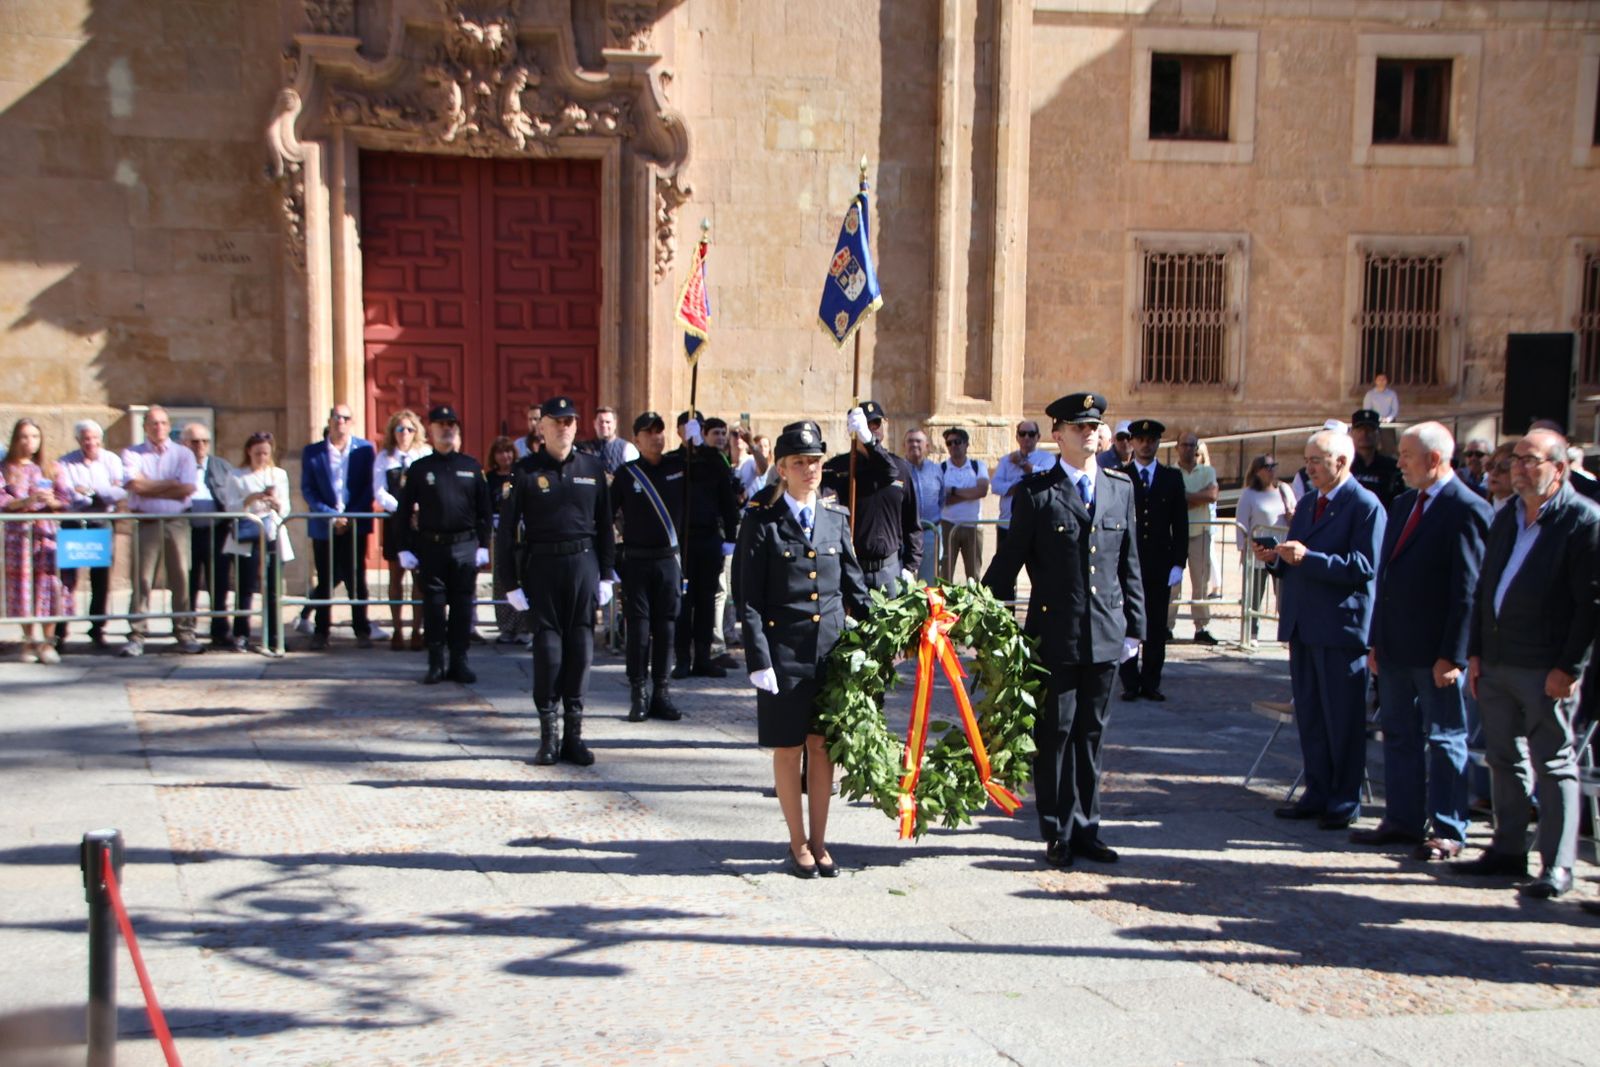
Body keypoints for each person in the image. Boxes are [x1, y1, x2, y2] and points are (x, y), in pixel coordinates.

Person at [983, 393, 1144, 868]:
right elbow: (1007, 564)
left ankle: (1087, 827)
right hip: (1055, 634)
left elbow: (1129, 565)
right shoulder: (1036, 494)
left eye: (1094, 425)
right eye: (1078, 426)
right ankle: (1056, 830)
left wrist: (1136, 627)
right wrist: (979, 612)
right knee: (1055, 735)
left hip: (1106, 632)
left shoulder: (1120, 488)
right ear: (1058, 435)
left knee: (1092, 734)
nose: (1089, 432)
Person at [1453, 429, 1600, 899]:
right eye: (1514, 459)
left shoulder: (1582, 521)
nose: (1517, 467)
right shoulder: (1507, 517)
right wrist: (1474, 652)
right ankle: (1507, 848)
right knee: (1502, 757)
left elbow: (1590, 604)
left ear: (1558, 468)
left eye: (1530, 459)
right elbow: (1484, 589)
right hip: (1496, 661)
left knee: (1553, 763)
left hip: (1544, 666)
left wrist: (1569, 667)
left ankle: (1556, 865)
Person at [1355, 422, 1491, 861]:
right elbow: (1387, 578)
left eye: (1409, 454)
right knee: (1399, 735)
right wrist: (1376, 640)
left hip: (1436, 653)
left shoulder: (1467, 508)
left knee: (1446, 737)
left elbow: (1467, 590)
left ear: (1435, 459)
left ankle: (1448, 827)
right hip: (1395, 648)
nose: (1400, 462)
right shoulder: (1403, 502)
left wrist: (1453, 654)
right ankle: (1403, 819)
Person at [738, 421, 869, 877]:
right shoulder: (761, 519)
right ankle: (797, 842)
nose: (810, 469)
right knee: (789, 747)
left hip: (829, 653)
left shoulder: (836, 519)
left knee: (822, 747)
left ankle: (820, 840)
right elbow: (748, 597)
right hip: (783, 654)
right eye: (799, 462)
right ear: (782, 468)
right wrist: (759, 659)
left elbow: (855, 587)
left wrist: (888, 632)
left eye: (815, 461)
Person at [1253, 427, 1385, 830]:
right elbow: (1296, 559)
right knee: (1311, 714)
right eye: (1307, 460)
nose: (1307, 468)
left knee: (1342, 718)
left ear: (1341, 462)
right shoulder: (1309, 503)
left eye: (1316, 461)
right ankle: (1317, 790)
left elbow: (1364, 567)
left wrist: (1309, 558)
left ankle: (1344, 801)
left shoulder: (1365, 505)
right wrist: (1274, 558)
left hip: (1341, 629)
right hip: (1304, 625)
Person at [499, 396, 616, 765]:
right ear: (542, 427)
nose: (564, 427)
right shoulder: (525, 471)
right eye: (557, 421)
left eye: (570, 421)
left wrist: (607, 574)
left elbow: (606, 527)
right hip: (543, 566)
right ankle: (548, 735)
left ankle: (574, 736)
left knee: (581, 649)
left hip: (583, 563)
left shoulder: (592, 468)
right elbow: (505, 532)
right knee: (549, 652)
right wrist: (509, 583)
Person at [396, 405, 493, 685]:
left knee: (463, 608)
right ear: (431, 431)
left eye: (451, 424)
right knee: (434, 607)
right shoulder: (420, 469)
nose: (447, 429)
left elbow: (484, 511)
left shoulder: (471, 467)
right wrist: (404, 547)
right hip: (432, 546)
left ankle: (459, 661)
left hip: (464, 546)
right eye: (441, 425)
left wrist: (483, 545)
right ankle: (436, 661)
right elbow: (403, 512)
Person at [612, 411, 686, 722]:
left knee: (666, 628)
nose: (656, 436)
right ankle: (638, 692)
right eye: (649, 432)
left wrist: (695, 442)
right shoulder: (627, 475)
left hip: (668, 561)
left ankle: (661, 692)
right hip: (637, 562)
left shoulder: (678, 468)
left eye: (660, 430)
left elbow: (714, 472)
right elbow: (605, 515)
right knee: (639, 631)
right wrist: (611, 559)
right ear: (637, 439)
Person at [121, 406, 202, 656]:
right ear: (145, 426)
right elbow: (135, 485)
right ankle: (137, 633)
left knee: (180, 576)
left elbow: (187, 488)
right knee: (142, 578)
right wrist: (169, 484)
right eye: (154, 424)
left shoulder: (183, 454)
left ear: (169, 426)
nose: (159, 428)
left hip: (176, 522)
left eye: (163, 423)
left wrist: (151, 485)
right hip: (146, 521)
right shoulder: (133, 453)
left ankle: (184, 631)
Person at [821, 400, 923, 597]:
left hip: (890, 570)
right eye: (867, 425)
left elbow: (913, 523)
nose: (872, 430)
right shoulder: (838, 469)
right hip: (852, 570)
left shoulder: (899, 468)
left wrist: (911, 567)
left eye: (876, 424)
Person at [1118, 418, 1187, 700]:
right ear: (1131, 442)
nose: (1146, 445)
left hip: (1159, 564)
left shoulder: (1171, 478)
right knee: (1128, 623)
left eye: (1151, 440)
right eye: (1141, 440)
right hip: (1129, 564)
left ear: (1159, 443)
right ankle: (1129, 682)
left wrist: (1178, 563)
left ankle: (1151, 682)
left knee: (1156, 626)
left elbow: (1180, 524)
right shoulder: (1121, 476)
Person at [301, 404, 378, 650]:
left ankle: (361, 629)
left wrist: (350, 515)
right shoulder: (313, 452)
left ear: (351, 422)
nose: (340, 422)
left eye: (345, 417)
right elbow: (308, 490)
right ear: (330, 420)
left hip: (354, 523)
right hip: (325, 526)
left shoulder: (365, 449)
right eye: (336, 417)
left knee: (357, 579)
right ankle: (321, 631)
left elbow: (369, 486)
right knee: (325, 579)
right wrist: (332, 515)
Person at [670, 410, 741, 678]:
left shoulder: (714, 460)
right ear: (679, 431)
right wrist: (689, 452)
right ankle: (682, 658)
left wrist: (731, 537)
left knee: (706, 600)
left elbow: (727, 496)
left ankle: (703, 656)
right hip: (682, 541)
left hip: (709, 538)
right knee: (683, 603)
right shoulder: (674, 460)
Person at [2, 418, 70, 663]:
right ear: (16, 439)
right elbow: (2, 501)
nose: (29, 442)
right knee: (22, 588)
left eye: (34, 436)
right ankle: (30, 640)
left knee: (49, 585)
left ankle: (48, 641)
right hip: (18, 537)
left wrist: (53, 503)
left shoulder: (50, 468)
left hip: (45, 535)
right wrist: (26, 502)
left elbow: (65, 498)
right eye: (24, 436)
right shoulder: (5, 469)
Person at [53, 419, 125, 650]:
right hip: (73, 523)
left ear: (100, 439)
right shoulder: (65, 462)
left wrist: (91, 493)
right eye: (85, 438)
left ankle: (97, 629)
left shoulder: (112, 460)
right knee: (67, 580)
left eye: (94, 438)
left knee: (101, 579)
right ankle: (60, 631)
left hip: (100, 523)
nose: (90, 442)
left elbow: (118, 491)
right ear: (78, 440)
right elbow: (66, 493)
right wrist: (96, 495)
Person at [222, 432, 293, 656]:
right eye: (257, 453)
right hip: (247, 532)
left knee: (273, 587)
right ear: (249, 452)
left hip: (271, 532)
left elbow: (287, 508)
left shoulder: (278, 475)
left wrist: (276, 502)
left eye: (266, 453)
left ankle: (273, 634)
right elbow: (229, 507)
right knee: (245, 586)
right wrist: (249, 499)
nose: (262, 457)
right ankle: (241, 633)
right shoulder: (237, 476)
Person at [373, 409, 430, 651]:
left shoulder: (424, 454)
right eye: (400, 429)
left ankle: (417, 629)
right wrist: (400, 507)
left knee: (419, 578)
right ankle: (397, 629)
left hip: (420, 523)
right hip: (396, 520)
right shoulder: (385, 457)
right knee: (396, 576)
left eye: (409, 429)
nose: (404, 434)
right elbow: (378, 489)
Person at [989, 419, 1058, 603]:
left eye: (1031, 434)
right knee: (1004, 576)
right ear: (1017, 437)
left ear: (1038, 437)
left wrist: (1023, 466)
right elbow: (995, 486)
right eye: (1023, 434)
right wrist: (1019, 487)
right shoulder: (1006, 460)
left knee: (1038, 574)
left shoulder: (1047, 458)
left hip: (1037, 528)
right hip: (1008, 524)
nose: (1027, 438)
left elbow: (1047, 479)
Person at [181, 422, 235, 650]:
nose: (200, 446)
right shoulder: (179, 467)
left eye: (204, 441)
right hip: (187, 531)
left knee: (219, 582)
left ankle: (220, 629)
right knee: (188, 583)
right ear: (184, 443)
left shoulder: (221, 466)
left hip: (217, 531)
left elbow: (232, 495)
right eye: (194, 442)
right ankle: (187, 629)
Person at [1235, 453, 1295, 641]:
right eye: (1267, 467)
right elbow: (1241, 524)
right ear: (1257, 471)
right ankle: (1251, 633)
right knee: (1254, 595)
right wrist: (1244, 550)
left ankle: (1286, 633)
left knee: (1285, 595)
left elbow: (1295, 513)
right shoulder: (1249, 495)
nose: (1271, 470)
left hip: (1282, 549)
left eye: (1273, 466)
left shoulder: (1284, 490)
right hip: (1259, 550)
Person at [1170, 431, 1219, 645]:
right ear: (1177, 447)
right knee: (1172, 584)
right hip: (1174, 534)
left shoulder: (1208, 471)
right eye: (1184, 445)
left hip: (1200, 533)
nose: (1188, 449)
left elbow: (1212, 496)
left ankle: (1201, 627)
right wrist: (1195, 497)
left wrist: (1185, 497)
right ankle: (1167, 626)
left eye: (1192, 445)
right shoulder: (1170, 473)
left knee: (1200, 582)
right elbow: (1171, 499)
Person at [484, 435, 527, 646]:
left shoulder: (520, 475)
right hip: (497, 533)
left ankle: (523, 626)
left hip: (520, 533)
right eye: (500, 452)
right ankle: (506, 627)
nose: (505, 456)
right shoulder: (489, 478)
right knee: (501, 578)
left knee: (522, 576)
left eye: (508, 451)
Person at [937, 427, 988, 583]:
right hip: (947, 525)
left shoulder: (978, 466)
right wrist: (968, 494)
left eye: (957, 442)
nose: (953, 446)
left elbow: (982, 490)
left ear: (966, 444)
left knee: (974, 573)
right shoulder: (941, 468)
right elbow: (942, 499)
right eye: (949, 443)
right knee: (945, 572)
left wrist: (953, 491)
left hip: (973, 525)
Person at [903, 429, 943, 584]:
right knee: (905, 583)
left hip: (930, 534)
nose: (914, 444)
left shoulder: (936, 470)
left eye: (918, 441)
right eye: (910, 441)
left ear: (927, 446)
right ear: (903, 446)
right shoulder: (898, 470)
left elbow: (942, 499)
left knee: (928, 583)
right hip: (905, 535)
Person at [1350, 409, 1403, 508]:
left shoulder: (1392, 467)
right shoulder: (1344, 465)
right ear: (1352, 433)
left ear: (1379, 433)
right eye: (1360, 429)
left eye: (1370, 429)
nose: (1364, 433)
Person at [578, 406, 633, 475]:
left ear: (615, 424)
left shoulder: (627, 449)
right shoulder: (583, 449)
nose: (604, 425)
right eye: (601, 422)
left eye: (608, 422)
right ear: (594, 424)